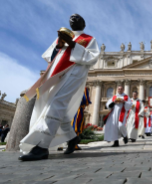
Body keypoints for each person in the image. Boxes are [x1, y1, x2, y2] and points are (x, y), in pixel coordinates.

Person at [19, 14, 99, 161]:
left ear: (84, 23)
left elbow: (92, 57)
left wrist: (73, 44)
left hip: (73, 74)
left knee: (55, 104)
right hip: (56, 74)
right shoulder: (62, 37)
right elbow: (50, 56)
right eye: (71, 18)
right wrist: (59, 45)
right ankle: (72, 137)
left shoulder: (88, 39)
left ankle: (42, 147)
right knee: (53, 105)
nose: (74, 18)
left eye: (78, 18)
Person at [71, 87, 91, 151]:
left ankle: (73, 144)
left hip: (73, 108)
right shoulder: (83, 88)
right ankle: (73, 144)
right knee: (75, 125)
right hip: (76, 109)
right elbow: (85, 100)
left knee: (75, 126)